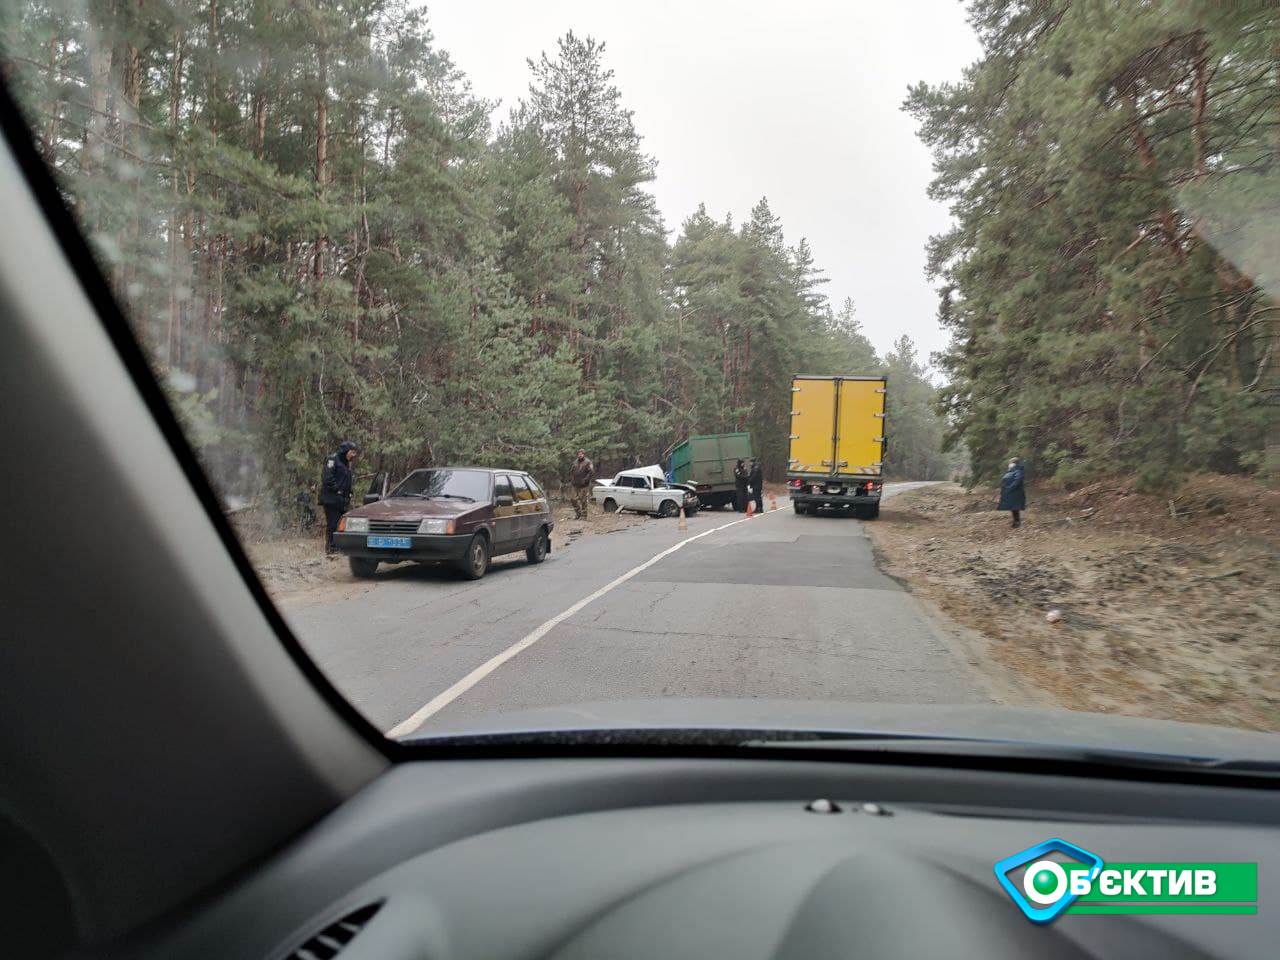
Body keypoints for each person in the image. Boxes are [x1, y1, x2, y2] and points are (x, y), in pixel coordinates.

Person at [320, 441, 358, 554]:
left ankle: (338, 546)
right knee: (332, 524)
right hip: (331, 499)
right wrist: (338, 490)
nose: (353, 455)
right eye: (352, 452)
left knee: (339, 524)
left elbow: (345, 480)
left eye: (355, 453)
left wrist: (349, 491)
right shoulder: (332, 459)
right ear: (346, 451)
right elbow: (327, 478)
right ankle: (331, 547)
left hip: (342, 500)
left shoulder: (345, 463)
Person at [998, 457, 1026, 528]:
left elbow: (1017, 480)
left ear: (1014, 463)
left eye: (1010, 463)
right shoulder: (1012, 471)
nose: (1009, 464)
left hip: (1016, 493)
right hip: (1012, 493)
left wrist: (1010, 488)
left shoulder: (1018, 471)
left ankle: (1017, 522)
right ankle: (1015, 522)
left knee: (1015, 508)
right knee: (1013, 508)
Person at [570, 449, 595, 519]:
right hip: (575, 484)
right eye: (579, 454)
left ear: (584, 454)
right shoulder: (575, 462)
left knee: (583, 500)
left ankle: (584, 515)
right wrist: (572, 479)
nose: (580, 455)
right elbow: (571, 472)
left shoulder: (588, 462)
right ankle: (578, 513)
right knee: (573, 499)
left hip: (584, 484)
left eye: (581, 454)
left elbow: (591, 472)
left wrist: (586, 480)